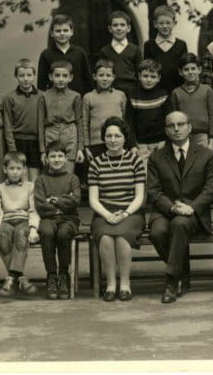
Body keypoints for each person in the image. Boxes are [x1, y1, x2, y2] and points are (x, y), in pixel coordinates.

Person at [147, 111, 213, 304]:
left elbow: (211, 188)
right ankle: (182, 273)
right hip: (165, 210)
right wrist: (172, 207)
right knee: (157, 232)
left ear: (190, 128)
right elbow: (153, 190)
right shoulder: (156, 157)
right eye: (171, 125)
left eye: (181, 124)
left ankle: (171, 280)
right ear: (166, 130)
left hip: (194, 212)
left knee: (179, 224)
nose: (176, 129)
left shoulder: (206, 155)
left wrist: (191, 208)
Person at [88, 117, 146, 301]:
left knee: (122, 237)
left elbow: (139, 196)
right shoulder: (96, 163)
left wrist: (126, 213)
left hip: (131, 212)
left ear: (125, 138)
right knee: (105, 237)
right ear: (103, 138)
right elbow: (93, 199)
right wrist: (107, 215)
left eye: (117, 136)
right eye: (109, 136)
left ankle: (125, 284)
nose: (113, 140)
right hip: (103, 212)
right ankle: (111, 284)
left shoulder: (135, 161)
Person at [0, 152, 40, 297]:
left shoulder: (30, 187)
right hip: (6, 221)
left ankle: (11, 278)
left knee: (21, 235)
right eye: (11, 168)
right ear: (5, 169)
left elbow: (33, 210)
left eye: (18, 168)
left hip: (24, 221)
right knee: (2, 238)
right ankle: (20, 278)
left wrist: (33, 228)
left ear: (24, 169)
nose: (15, 172)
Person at [35, 141, 81, 300]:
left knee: (63, 234)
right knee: (47, 232)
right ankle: (51, 275)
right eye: (53, 156)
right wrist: (63, 203)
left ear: (66, 158)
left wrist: (53, 200)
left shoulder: (72, 178)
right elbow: (40, 204)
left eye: (60, 156)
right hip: (48, 218)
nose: (56, 159)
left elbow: (75, 201)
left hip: (69, 219)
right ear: (46, 158)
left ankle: (63, 275)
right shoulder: (41, 180)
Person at [38, 60, 85, 175]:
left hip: (70, 135)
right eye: (57, 75)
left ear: (70, 78)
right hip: (50, 134)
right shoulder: (44, 96)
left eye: (65, 76)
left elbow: (79, 122)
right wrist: (42, 151)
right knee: (50, 173)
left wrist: (80, 148)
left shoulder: (75, 96)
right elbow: (40, 124)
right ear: (51, 77)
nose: (61, 79)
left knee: (68, 173)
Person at [2, 58, 43, 183]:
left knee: (35, 179)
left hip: (36, 142)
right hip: (18, 142)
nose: (26, 79)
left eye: (29, 75)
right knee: (21, 177)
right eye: (22, 75)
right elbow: (7, 124)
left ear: (34, 76)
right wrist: (12, 148)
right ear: (16, 77)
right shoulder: (10, 97)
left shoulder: (41, 96)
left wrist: (43, 147)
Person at [126, 59, 172, 164]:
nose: (148, 80)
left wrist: (167, 142)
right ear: (139, 76)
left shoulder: (163, 96)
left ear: (159, 78)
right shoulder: (133, 96)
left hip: (161, 143)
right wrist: (132, 145)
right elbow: (129, 123)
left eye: (153, 77)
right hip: (141, 145)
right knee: (144, 171)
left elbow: (170, 121)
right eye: (145, 76)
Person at [83, 60, 128, 163]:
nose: (104, 78)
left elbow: (124, 120)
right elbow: (85, 124)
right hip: (96, 144)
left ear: (113, 77)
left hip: (117, 142)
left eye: (108, 75)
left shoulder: (120, 95)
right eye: (101, 75)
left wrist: (125, 142)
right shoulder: (88, 97)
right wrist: (86, 146)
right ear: (94, 76)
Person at [37, 13, 93, 96]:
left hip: (78, 99)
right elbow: (41, 84)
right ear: (52, 33)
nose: (62, 33)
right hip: (54, 100)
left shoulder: (80, 53)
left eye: (65, 30)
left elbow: (88, 81)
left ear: (72, 32)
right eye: (58, 31)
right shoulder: (45, 54)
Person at [170, 52, 213, 150]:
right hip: (183, 135)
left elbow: (212, 116)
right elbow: (174, 118)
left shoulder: (207, 90)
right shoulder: (176, 92)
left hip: (202, 136)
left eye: (193, 68)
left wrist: (211, 139)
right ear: (180, 72)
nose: (190, 72)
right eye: (186, 69)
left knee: (202, 158)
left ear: (199, 70)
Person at [143, 4, 188, 93]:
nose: (164, 26)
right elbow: (146, 70)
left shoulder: (181, 45)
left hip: (177, 90)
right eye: (161, 23)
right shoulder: (149, 45)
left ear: (174, 23)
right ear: (155, 24)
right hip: (155, 90)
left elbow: (184, 69)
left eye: (168, 23)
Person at [98, 11, 142, 97]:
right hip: (110, 92)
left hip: (132, 91)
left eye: (122, 25)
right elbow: (100, 73)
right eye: (115, 25)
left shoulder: (135, 49)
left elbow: (139, 73)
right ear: (110, 29)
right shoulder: (104, 51)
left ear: (128, 28)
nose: (119, 28)